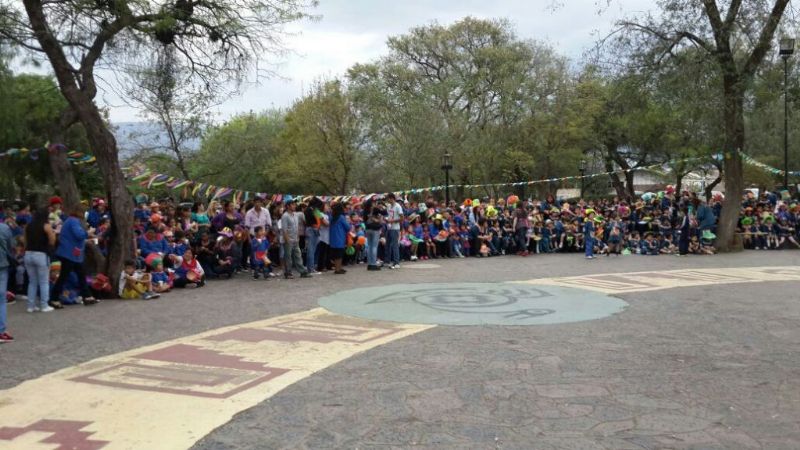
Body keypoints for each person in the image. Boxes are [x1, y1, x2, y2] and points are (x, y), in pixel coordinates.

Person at [52, 206, 97, 306]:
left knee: (80, 275)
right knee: (64, 276)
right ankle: (54, 298)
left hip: (71, 254)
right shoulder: (73, 221)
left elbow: (73, 237)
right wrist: (89, 232)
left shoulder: (70, 220)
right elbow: (79, 235)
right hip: (69, 254)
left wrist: (85, 240)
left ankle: (87, 296)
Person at [23, 208, 56, 313]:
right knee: (44, 282)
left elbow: (25, 241)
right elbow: (52, 240)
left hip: (28, 254)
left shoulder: (28, 226)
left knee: (32, 282)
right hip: (41, 255)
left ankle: (30, 306)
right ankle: (44, 305)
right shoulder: (46, 226)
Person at [280, 197, 310, 279]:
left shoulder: (295, 215)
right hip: (288, 239)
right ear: (288, 206)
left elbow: (297, 227)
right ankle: (288, 273)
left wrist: (298, 237)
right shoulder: (285, 216)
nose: (294, 206)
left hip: (295, 239)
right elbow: (284, 230)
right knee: (288, 257)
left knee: (298, 256)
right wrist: (287, 240)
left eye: (294, 204)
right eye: (292, 205)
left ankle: (303, 272)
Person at [0, 219, 14, 343]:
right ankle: (1, 331)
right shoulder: (4, 228)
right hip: (1, 265)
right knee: (1, 299)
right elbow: (11, 247)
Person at [363, 199, 385, 271]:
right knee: (374, 246)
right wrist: (382, 209)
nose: (375, 204)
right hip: (375, 229)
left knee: (369, 246)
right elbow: (384, 213)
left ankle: (369, 264)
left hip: (368, 229)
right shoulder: (375, 210)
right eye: (374, 203)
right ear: (371, 204)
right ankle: (373, 264)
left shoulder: (365, 211)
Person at [329, 202, 350, 274]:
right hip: (340, 237)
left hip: (333, 238)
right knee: (339, 254)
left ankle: (338, 268)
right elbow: (347, 227)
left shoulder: (332, 217)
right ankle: (338, 269)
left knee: (335, 254)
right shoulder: (341, 217)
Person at [385, 193, 403, 269]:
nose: (387, 200)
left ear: (392, 198)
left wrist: (392, 221)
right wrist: (386, 219)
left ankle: (396, 262)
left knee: (394, 245)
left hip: (395, 228)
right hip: (389, 227)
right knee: (387, 245)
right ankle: (387, 261)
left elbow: (402, 218)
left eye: (388, 199)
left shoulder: (398, 206)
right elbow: (388, 215)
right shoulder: (388, 206)